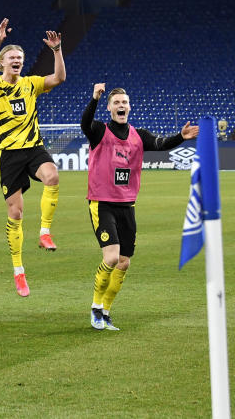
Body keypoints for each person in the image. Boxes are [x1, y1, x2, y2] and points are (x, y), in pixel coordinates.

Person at [82, 84, 197, 330]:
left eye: (125, 102)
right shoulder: (99, 131)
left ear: (130, 107)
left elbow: (161, 143)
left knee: (124, 262)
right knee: (111, 257)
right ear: (110, 108)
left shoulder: (139, 135)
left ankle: (106, 312)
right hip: (102, 203)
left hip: (127, 205)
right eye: (116, 103)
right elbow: (85, 123)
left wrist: (180, 137)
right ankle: (95, 308)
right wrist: (94, 99)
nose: (121, 106)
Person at [0, 18, 66, 297]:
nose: (17, 61)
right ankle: (19, 271)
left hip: (32, 147)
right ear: (3, 63)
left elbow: (60, 78)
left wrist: (57, 51)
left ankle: (44, 232)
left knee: (52, 175)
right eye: (12, 58)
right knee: (15, 213)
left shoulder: (31, 84)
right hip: (9, 155)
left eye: (20, 57)